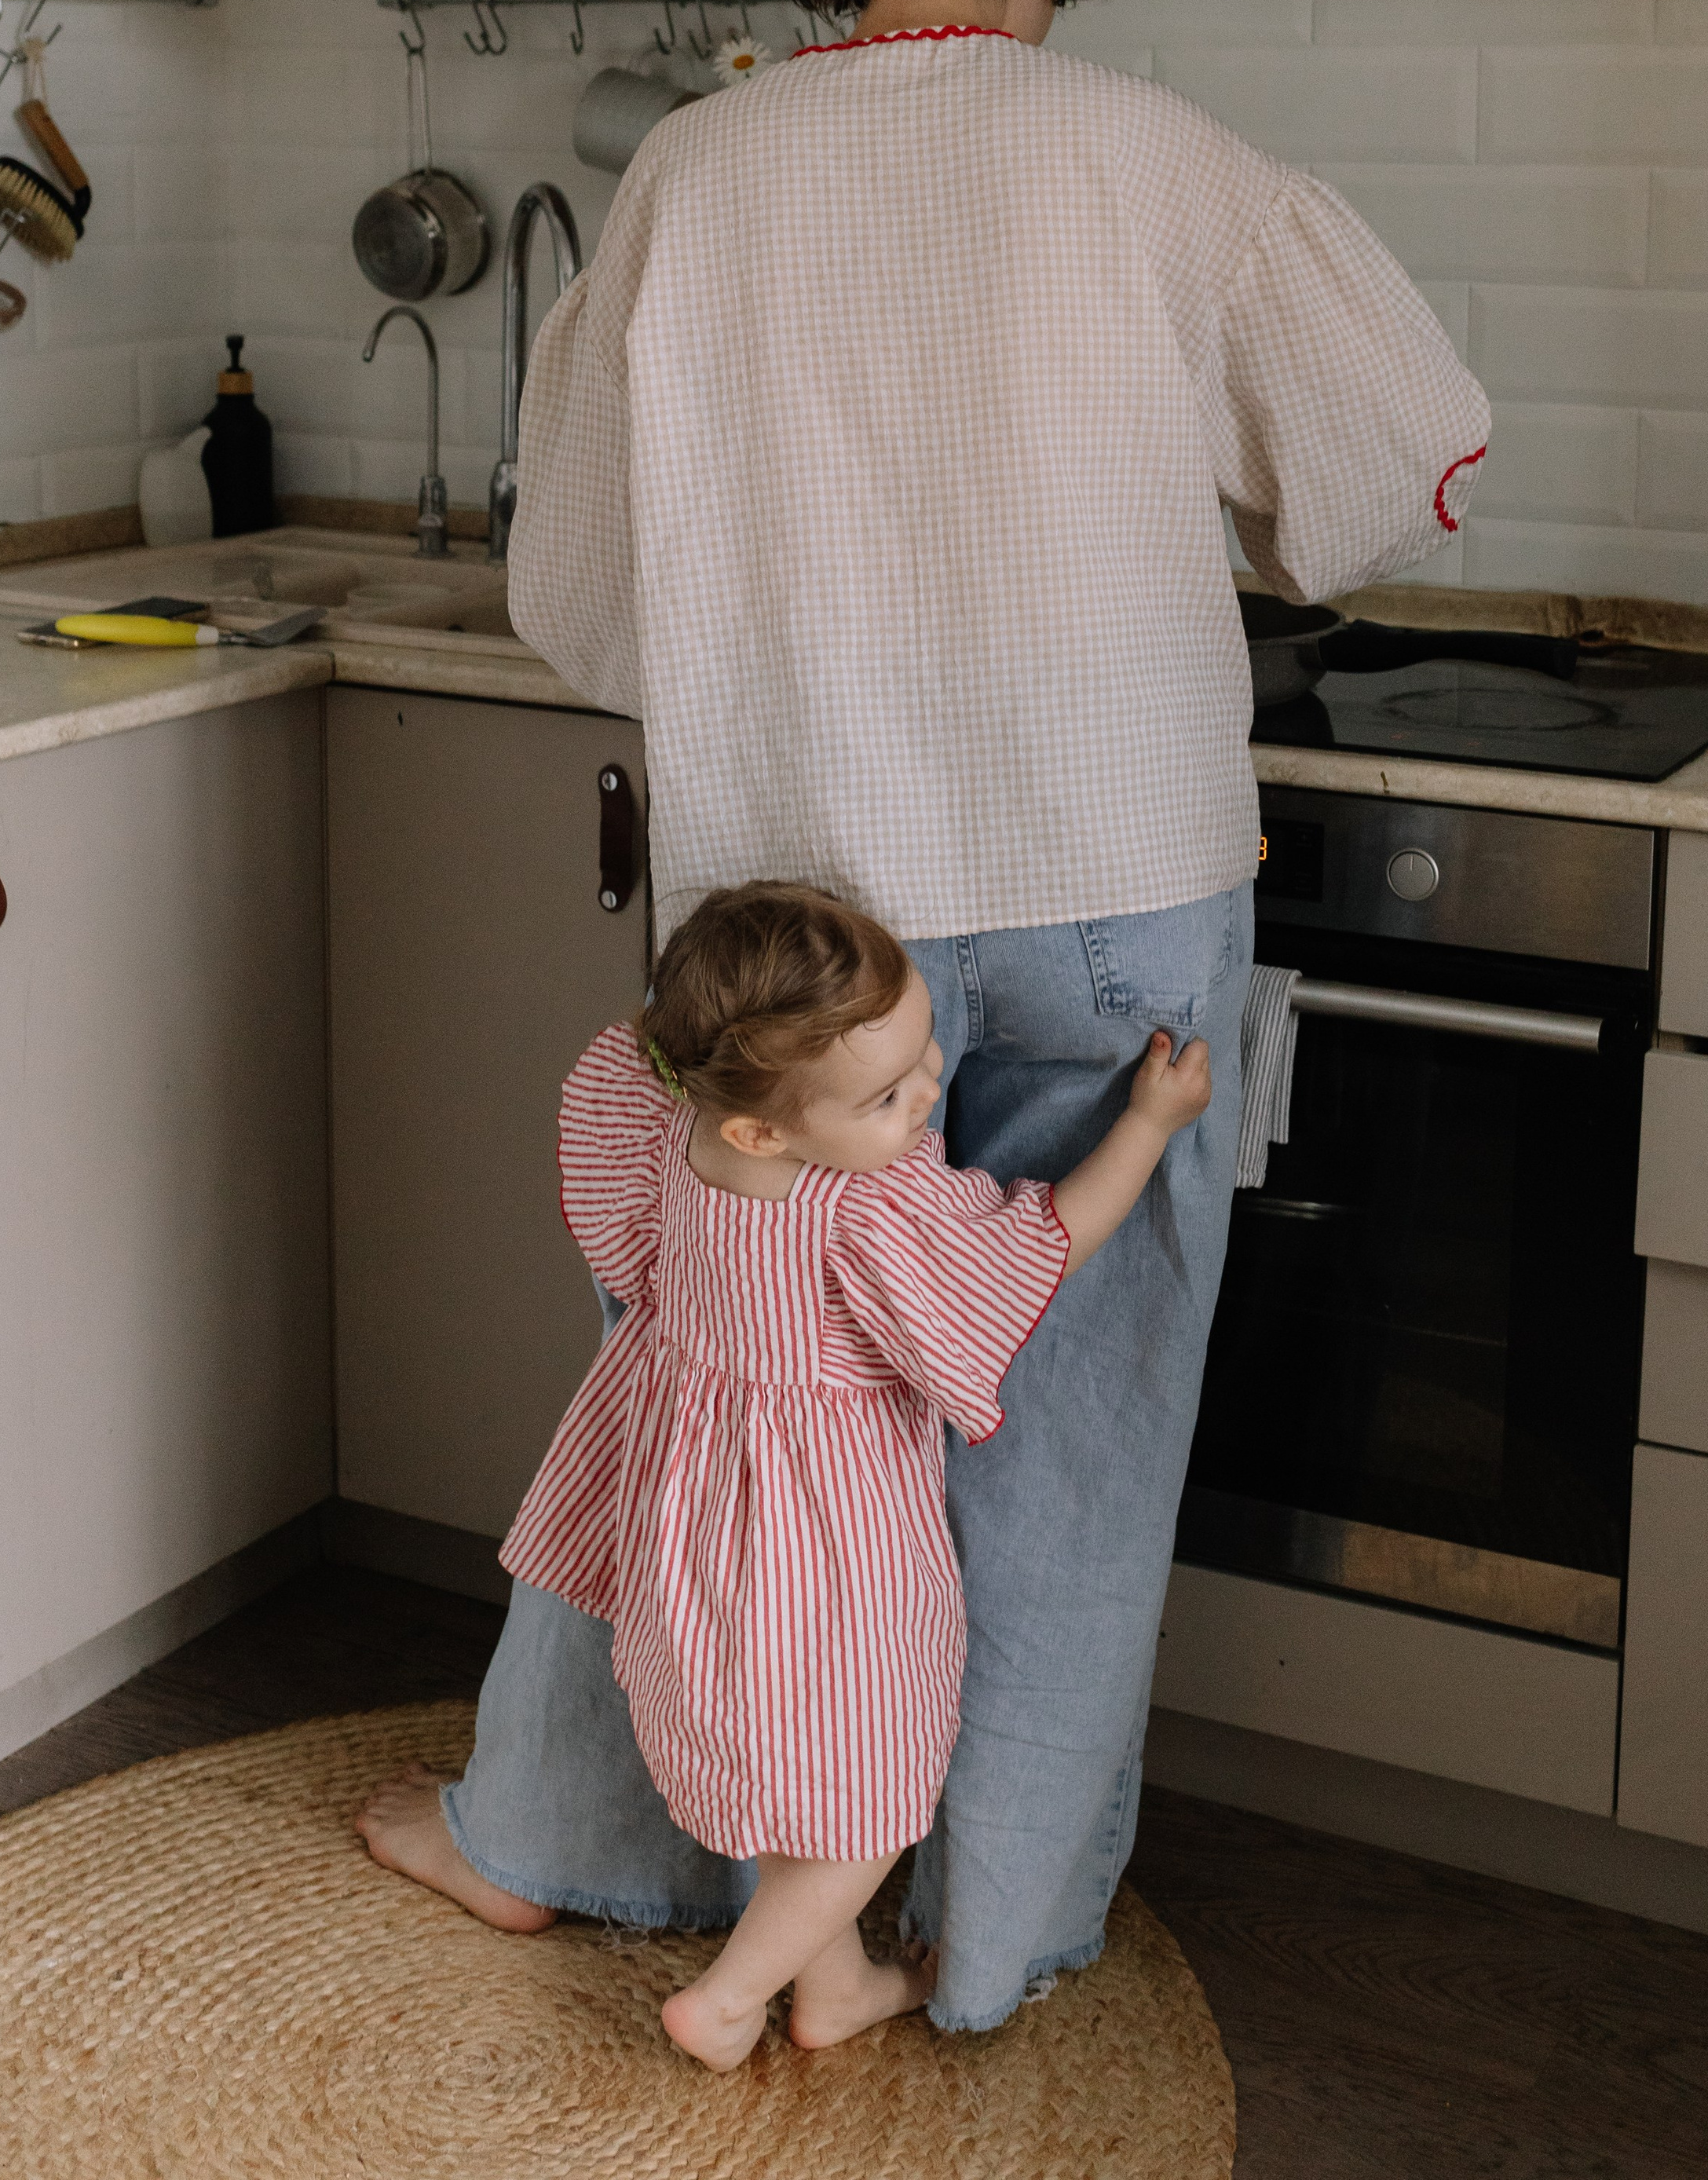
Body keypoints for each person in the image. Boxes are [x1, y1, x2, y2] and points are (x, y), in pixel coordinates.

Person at [357, 0, 1490, 2032]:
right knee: (1066, 1423)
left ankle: (567, 1843)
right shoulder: (1154, 156)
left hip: (798, 922)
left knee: (708, 1395)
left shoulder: (694, 170)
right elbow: (1390, 464)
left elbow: (574, 592)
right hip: (1114, 878)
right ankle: (988, 1940)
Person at [497, 880, 1212, 2071]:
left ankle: (830, 1988)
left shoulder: (675, 1138)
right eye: (890, 1095)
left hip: (699, 1540)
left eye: (927, 1048)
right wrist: (1145, 1123)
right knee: (874, 1794)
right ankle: (729, 1999)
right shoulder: (864, 1214)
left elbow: (632, 1094)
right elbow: (1046, 1242)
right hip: (833, 1556)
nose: (933, 1090)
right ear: (762, 1127)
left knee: (799, 1774)